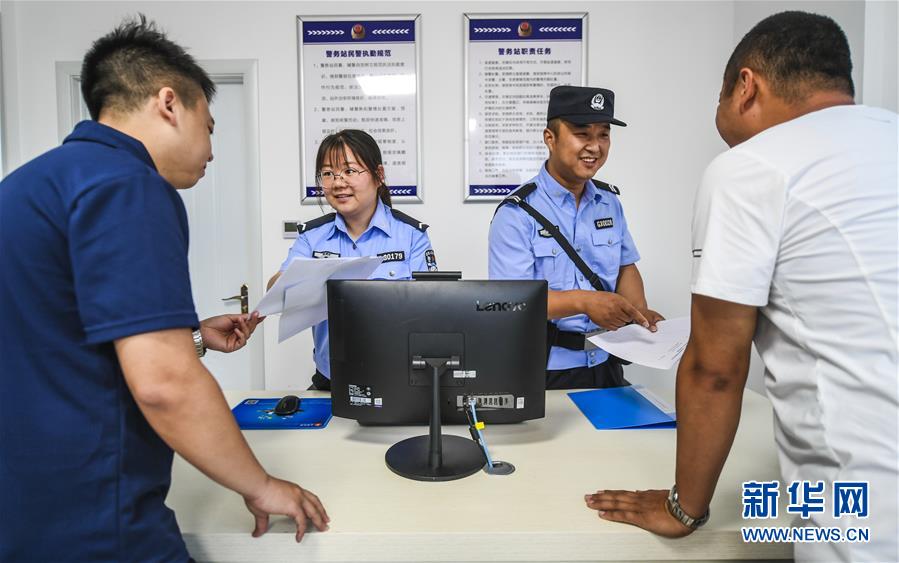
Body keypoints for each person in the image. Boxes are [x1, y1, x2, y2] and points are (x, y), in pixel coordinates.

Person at [0, 16, 328, 562]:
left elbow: (64, 341)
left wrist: (191, 337)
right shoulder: (129, 186)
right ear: (170, 104)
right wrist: (261, 484)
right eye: (210, 127)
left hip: (26, 504)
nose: (211, 150)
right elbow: (164, 382)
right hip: (97, 515)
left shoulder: (29, 185)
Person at [585, 11, 897, 563]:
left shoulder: (752, 168)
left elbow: (716, 368)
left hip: (868, 506)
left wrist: (684, 509)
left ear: (745, 86)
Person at [488, 85, 663, 390]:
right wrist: (584, 302)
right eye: (582, 134)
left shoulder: (609, 202)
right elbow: (512, 300)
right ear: (550, 138)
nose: (595, 147)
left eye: (603, 135)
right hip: (545, 369)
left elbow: (625, 266)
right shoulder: (517, 213)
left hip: (607, 363)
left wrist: (638, 311)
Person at [269, 129, 438, 391]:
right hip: (331, 381)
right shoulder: (312, 237)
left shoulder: (411, 236)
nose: (338, 183)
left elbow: (430, 308)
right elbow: (277, 294)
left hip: (397, 378)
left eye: (349, 171)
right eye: (328, 174)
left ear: (378, 175)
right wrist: (294, 282)